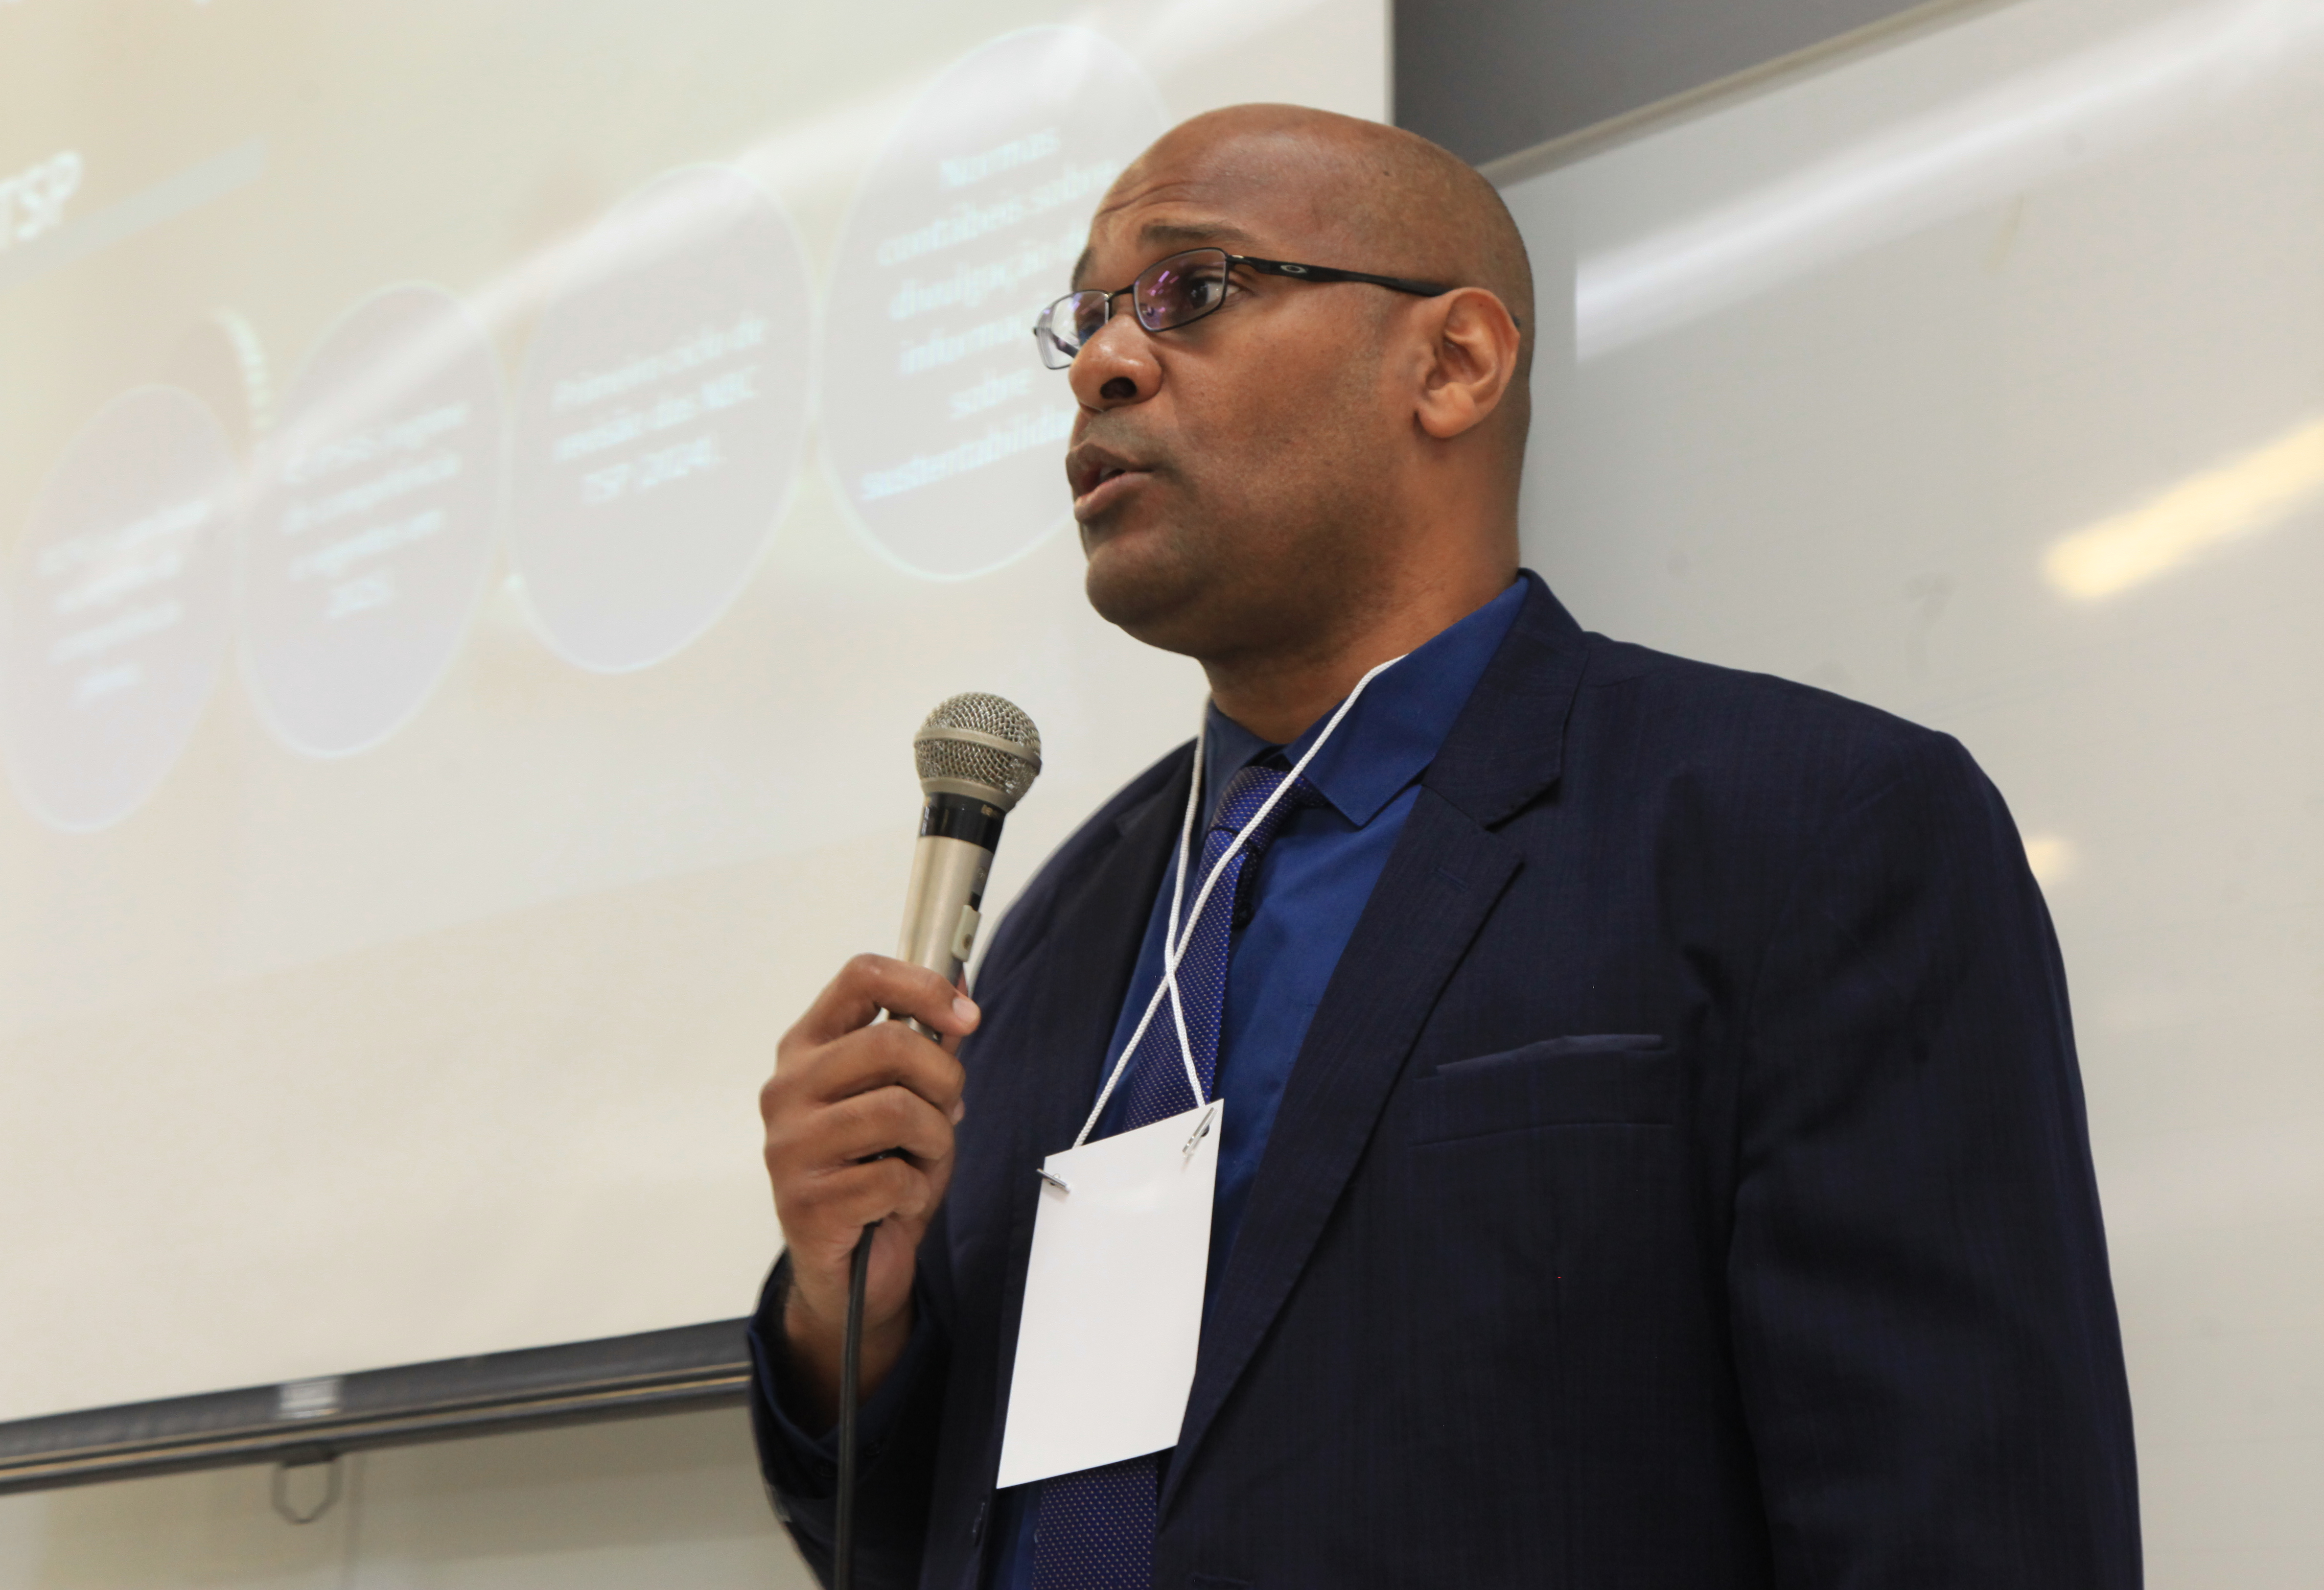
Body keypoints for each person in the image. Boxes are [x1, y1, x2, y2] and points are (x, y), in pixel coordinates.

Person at [749, 104, 2139, 1589]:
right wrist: (848, 1325)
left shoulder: (1808, 833)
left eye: (1189, 290)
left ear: (1455, 363)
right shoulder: (1058, 924)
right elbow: (936, 1533)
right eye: (1084, 320)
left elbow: (1969, 1521)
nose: (1104, 363)